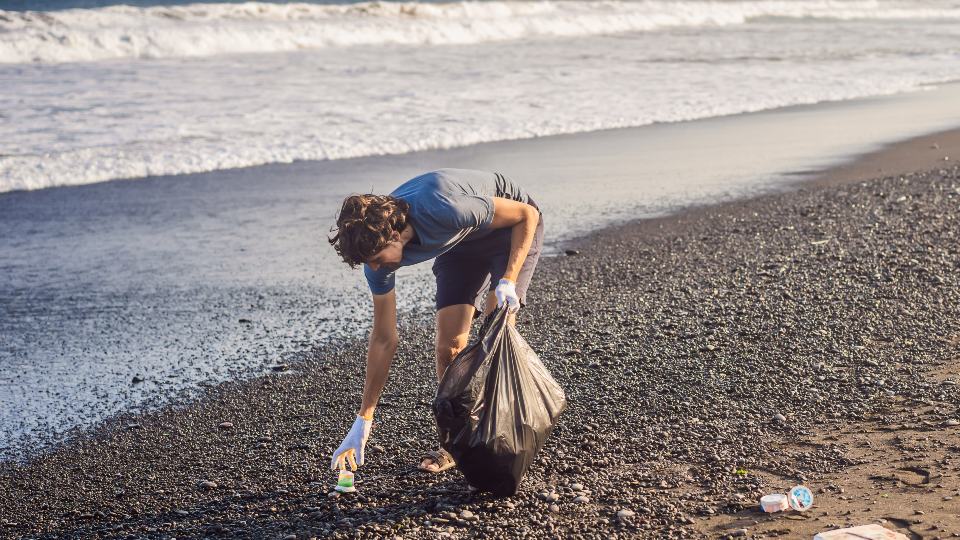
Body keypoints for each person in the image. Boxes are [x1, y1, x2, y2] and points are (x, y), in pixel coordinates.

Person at [327, 168, 543, 473]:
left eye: (377, 257)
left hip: (510, 227)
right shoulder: (376, 262)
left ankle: (502, 437)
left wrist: (508, 279)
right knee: (449, 347)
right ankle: (455, 444)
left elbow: (527, 215)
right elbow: (384, 339)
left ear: (392, 234)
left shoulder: (443, 209)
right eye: (368, 263)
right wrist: (364, 419)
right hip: (461, 242)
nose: (374, 267)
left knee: (496, 339)